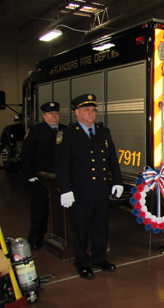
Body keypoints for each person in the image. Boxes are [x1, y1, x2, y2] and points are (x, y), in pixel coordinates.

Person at [55, 94, 123, 280]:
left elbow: (112, 160)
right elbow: (62, 165)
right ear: (76, 112)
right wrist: (65, 189)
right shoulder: (67, 134)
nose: (91, 113)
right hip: (80, 192)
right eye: (86, 110)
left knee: (101, 227)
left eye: (93, 110)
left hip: (100, 190)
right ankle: (82, 263)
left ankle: (99, 259)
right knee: (81, 230)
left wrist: (117, 181)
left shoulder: (103, 132)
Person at [22, 102, 66, 251]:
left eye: (56, 113)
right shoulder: (35, 131)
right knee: (39, 210)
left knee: (63, 210)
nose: (55, 116)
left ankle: (63, 237)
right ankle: (36, 238)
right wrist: (30, 175)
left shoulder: (66, 130)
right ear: (44, 115)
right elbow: (26, 155)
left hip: (60, 178)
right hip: (40, 179)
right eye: (51, 113)